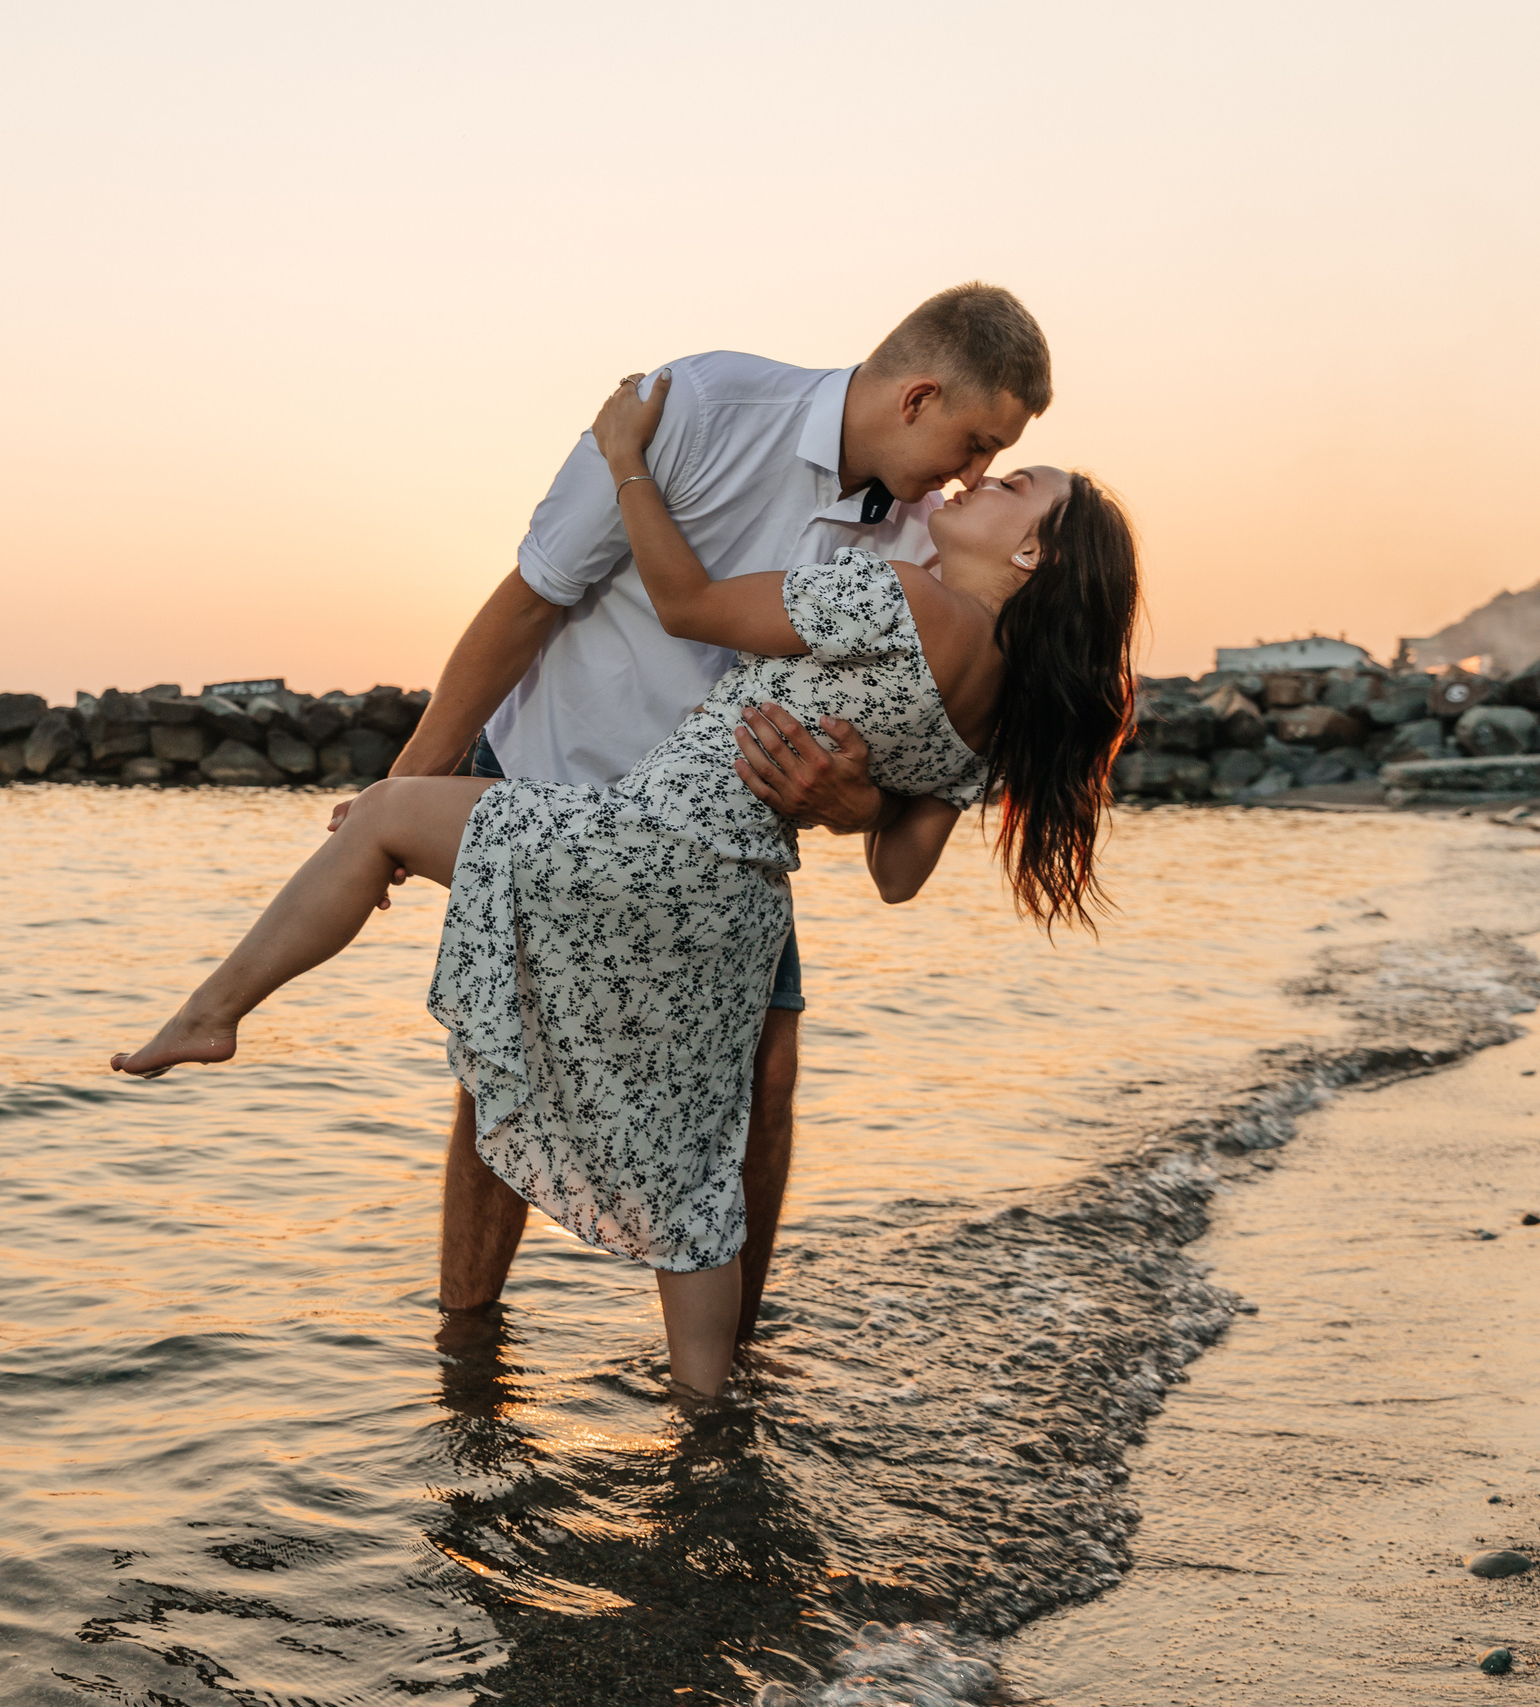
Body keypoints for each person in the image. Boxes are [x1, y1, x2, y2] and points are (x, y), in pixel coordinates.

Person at [111, 370, 1141, 1401]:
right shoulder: (1001, 717)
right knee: (694, 1182)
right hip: (735, 911)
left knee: (384, 815)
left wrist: (626, 461)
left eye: (1013, 485)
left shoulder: (902, 595)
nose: (980, 479)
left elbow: (685, 605)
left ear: (1028, 553)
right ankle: (706, 1413)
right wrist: (850, 797)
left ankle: (212, 1013)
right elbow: (896, 875)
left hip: (645, 841)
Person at [387, 283, 1056, 1344]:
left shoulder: (934, 543)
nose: (972, 474)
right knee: (509, 1061)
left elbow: (886, 782)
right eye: (976, 442)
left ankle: (721, 1374)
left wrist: (849, 800)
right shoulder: (696, 407)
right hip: (562, 765)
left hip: (729, 829)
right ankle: (465, 1344)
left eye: (995, 460)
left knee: (765, 1077)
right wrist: (407, 787)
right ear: (920, 396)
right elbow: (532, 596)